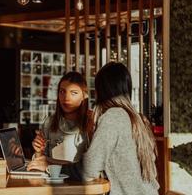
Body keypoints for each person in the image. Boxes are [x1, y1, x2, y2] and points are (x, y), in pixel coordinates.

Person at [28, 62, 159, 195]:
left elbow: (88, 169)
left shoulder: (113, 117)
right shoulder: (137, 119)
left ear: (101, 91)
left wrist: (50, 167)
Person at [30, 71, 93, 165]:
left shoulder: (91, 122)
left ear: (84, 96)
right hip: (52, 179)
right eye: (62, 92)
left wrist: (49, 161)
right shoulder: (49, 123)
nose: (66, 97)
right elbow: (40, 162)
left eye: (74, 93)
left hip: (80, 179)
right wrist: (38, 151)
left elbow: (91, 165)